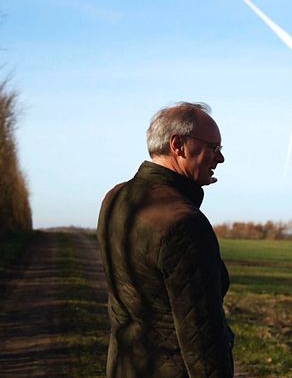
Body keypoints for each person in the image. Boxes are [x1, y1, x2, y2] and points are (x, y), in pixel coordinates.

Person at [97, 102, 234, 377]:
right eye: (213, 148)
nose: (220, 159)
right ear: (178, 145)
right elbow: (202, 340)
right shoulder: (184, 224)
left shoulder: (115, 198)